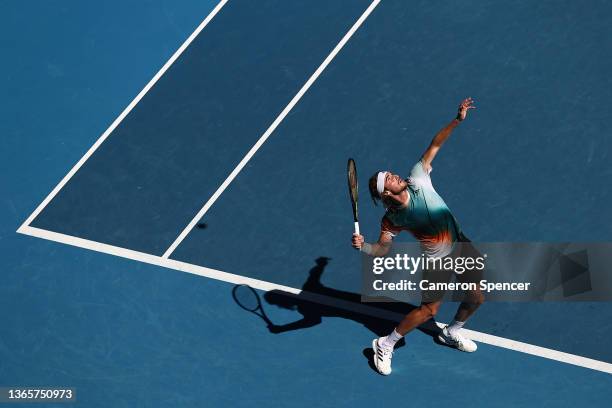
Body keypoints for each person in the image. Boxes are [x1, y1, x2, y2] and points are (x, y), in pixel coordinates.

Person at [351, 97, 485, 376]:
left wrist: (457, 120)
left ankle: (451, 332)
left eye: (392, 173)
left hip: (459, 241)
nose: (395, 175)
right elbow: (382, 250)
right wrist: (364, 247)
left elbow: (435, 144)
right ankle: (385, 343)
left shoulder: (418, 177)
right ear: (385, 193)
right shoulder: (392, 219)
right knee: (428, 311)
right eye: (389, 178)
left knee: (477, 296)